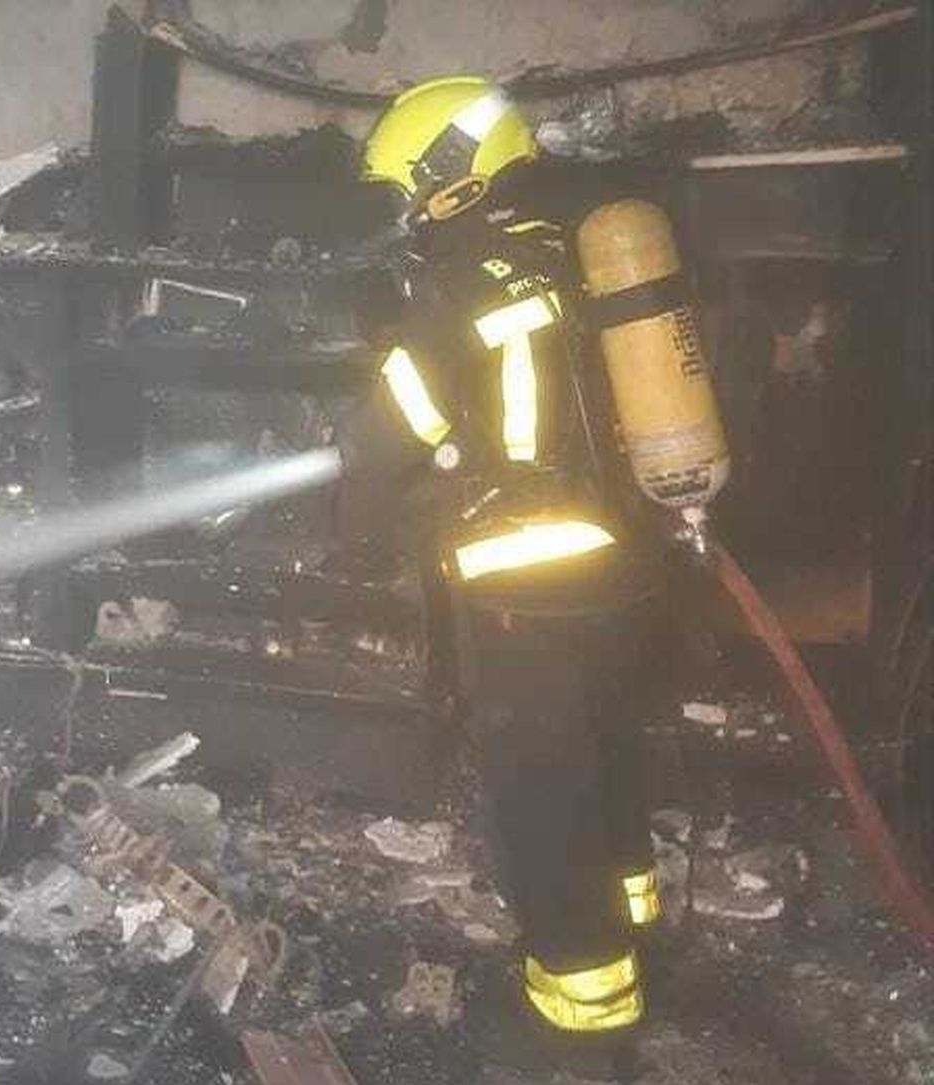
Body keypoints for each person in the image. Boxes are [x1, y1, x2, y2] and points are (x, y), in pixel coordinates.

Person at [340, 75, 678, 1077]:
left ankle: (581, 1013)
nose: (398, 211)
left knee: (541, 784)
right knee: (605, 745)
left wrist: (343, 489)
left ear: (447, 180)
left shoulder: (453, 285)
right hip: (616, 563)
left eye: (403, 187)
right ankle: (633, 916)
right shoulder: (562, 252)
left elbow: (390, 435)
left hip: (520, 570)